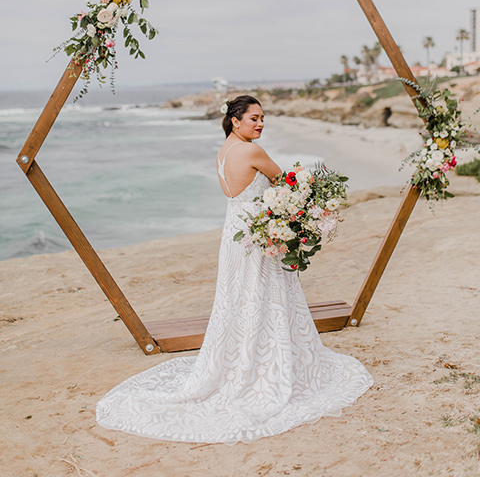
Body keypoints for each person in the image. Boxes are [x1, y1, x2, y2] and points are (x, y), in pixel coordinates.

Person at [96, 95, 373, 444]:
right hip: (257, 239)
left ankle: (240, 360)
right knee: (263, 296)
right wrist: (307, 193)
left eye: (263, 119)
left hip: (235, 236)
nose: (260, 124)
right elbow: (287, 181)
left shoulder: (225, 151)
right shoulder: (252, 152)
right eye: (254, 118)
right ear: (235, 120)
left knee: (239, 300)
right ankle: (265, 364)